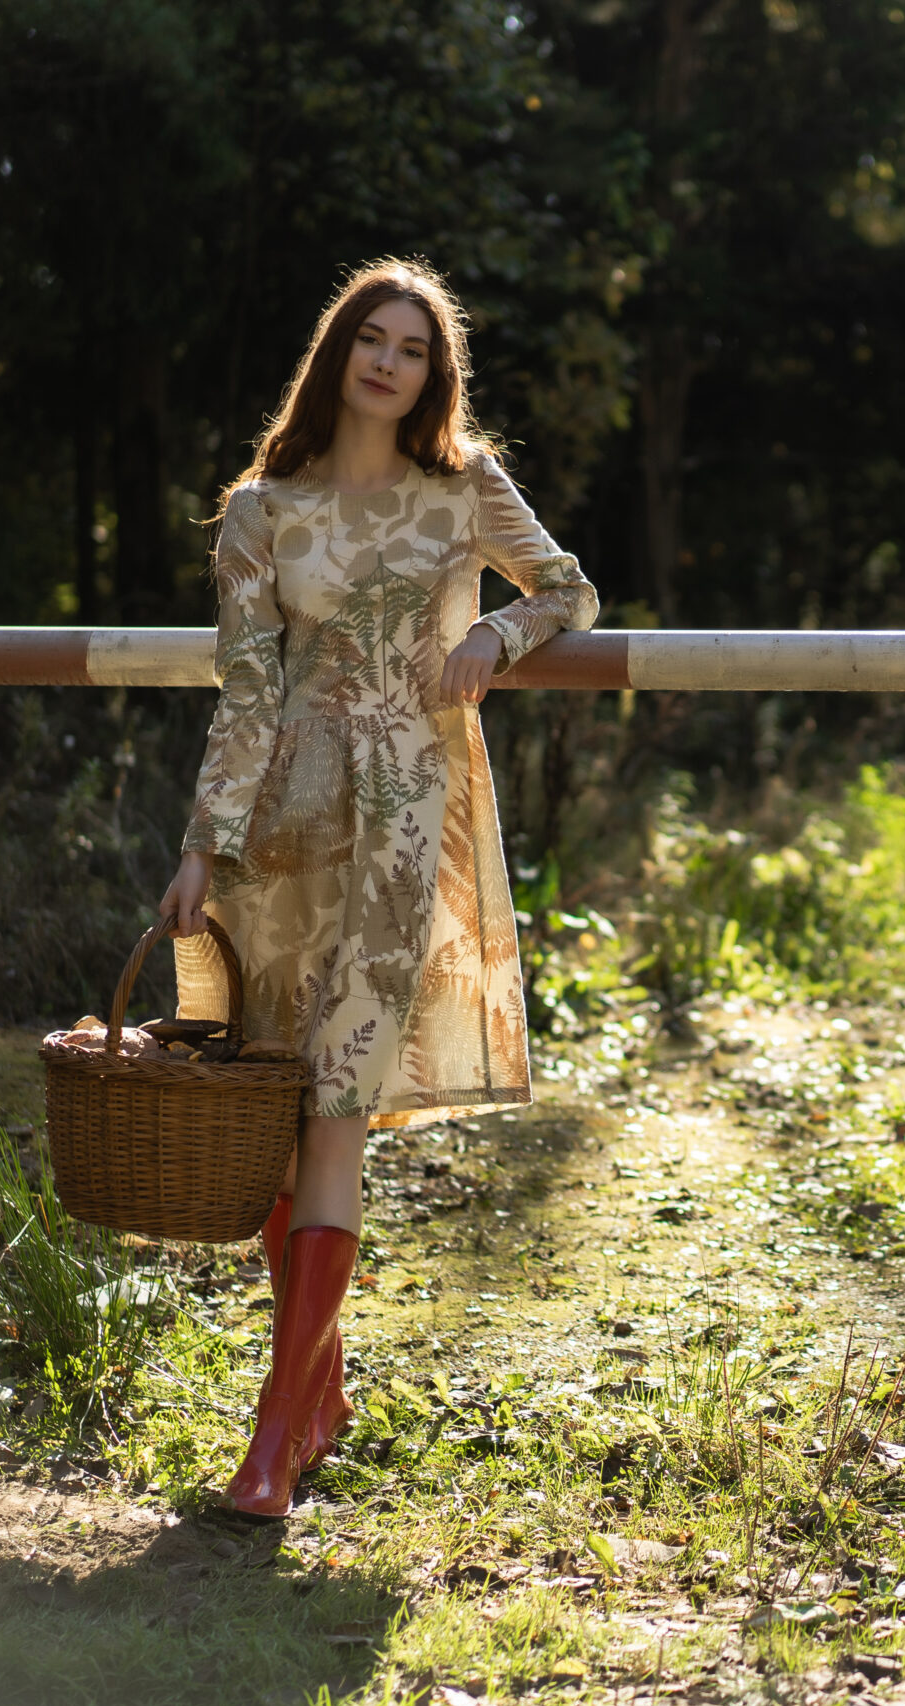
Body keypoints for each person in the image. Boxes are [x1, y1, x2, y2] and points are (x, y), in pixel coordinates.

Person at [156, 257, 598, 1517]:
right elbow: (245, 693)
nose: (389, 359)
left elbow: (569, 586)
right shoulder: (260, 512)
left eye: (414, 346)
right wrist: (204, 846)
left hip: (408, 826)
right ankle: (317, 1396)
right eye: (372, 337)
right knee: (271, 1121)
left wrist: (491, 636)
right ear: (338, 351)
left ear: (433, 375)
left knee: (338, 1107)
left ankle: (270, 1443)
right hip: (279, 840)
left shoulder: (463, 491)